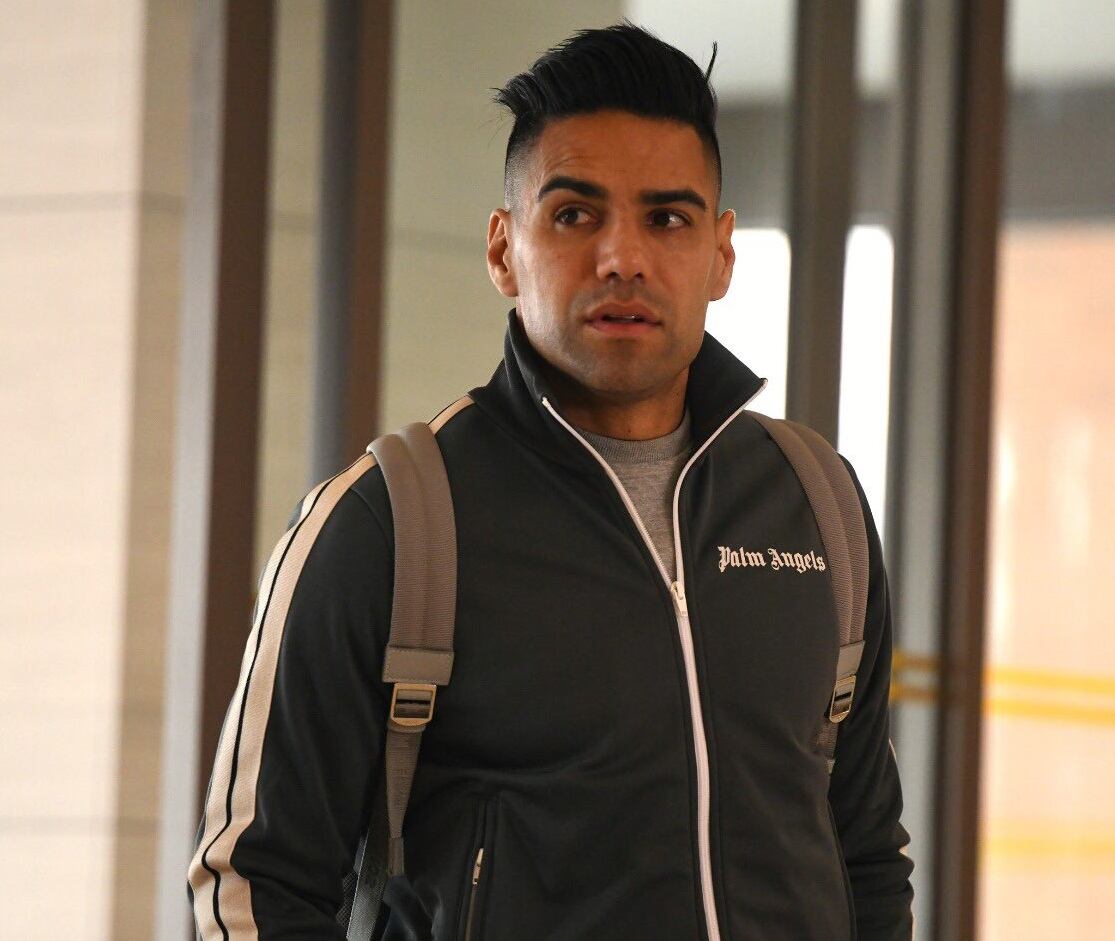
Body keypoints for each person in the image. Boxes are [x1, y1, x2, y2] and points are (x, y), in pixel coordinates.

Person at [188, 20, 914, 940]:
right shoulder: (393, 526)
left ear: (720, 252)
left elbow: (864, 858)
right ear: (503, 249)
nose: (622, 256)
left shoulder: (820, 506)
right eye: (574, 214)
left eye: (667, 218)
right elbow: (252, 888)